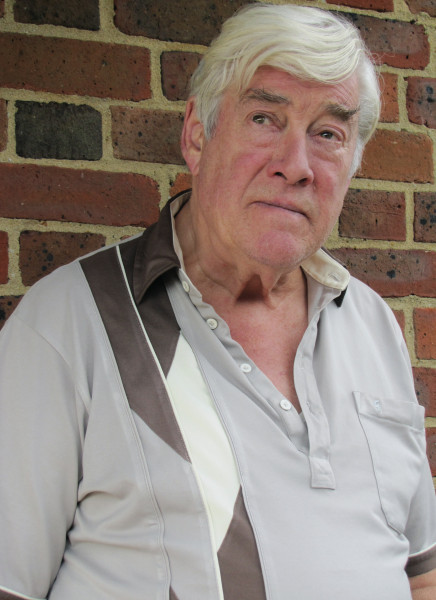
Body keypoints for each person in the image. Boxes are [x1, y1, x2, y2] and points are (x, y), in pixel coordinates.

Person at [0, 3, 435, 599]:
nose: (296, 166)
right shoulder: (66, 324)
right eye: (264, 118)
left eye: (328, 134)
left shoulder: (372, 323)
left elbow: (421, 572)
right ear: (197, 135)